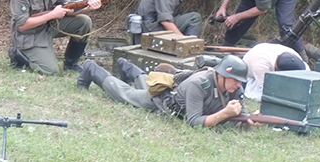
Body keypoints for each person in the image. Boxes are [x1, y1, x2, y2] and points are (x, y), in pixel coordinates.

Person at [76, 55, 250, 128]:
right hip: (163, 99)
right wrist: (224, 113)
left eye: (240, 81)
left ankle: (128, 67)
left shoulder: (234, 86)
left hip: (173, 90)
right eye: (235, 79)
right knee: (126, 95)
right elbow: (194, 122)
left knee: (147, 84)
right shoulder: (200, 83)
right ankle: (92, 69)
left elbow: (240, 116)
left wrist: (250, 121)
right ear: (221, 75)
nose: (238, 85)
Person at [242, 43, 308, 101]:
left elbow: (306, 73)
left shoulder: (293, 55)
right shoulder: (261, 65)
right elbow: (266, 90)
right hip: (250, 72)